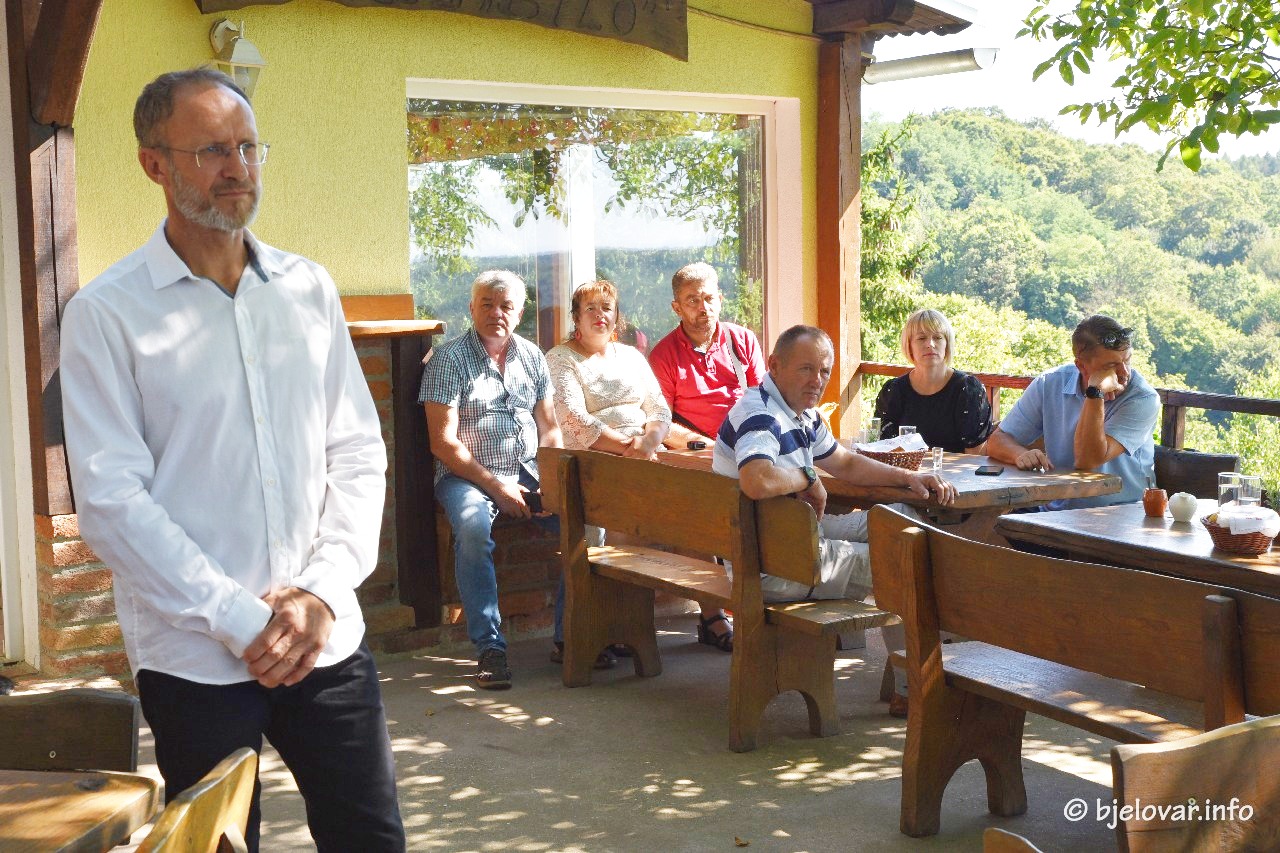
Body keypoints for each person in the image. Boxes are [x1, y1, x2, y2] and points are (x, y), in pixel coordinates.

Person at [60, 69, 404, 851]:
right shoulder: (107, 314)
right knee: (214, 846)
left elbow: (356, 450)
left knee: (372, 839)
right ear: (154, 163)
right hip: (196, 659)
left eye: (248, 146)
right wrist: (244, 619)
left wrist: (320, 592)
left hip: (324, 635)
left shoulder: (308, 288)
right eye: (212, 149)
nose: (237, 167)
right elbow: (112, 503)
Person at [712, 325, 957, 602]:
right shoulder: (762, 416)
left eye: (824, 371)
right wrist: (807, 477)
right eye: (806, 369)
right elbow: (757, 480)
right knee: (905, 557)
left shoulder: (800, 413)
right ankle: (944, 623)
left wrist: (908, 477)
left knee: (903, 517)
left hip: (792, 535)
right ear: (775, 366)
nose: (817, 380)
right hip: (774, 566)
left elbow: (846, 463)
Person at [421, 270, 564, 689]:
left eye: (506, 306)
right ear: (472, 308)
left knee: (587, 520)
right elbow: (442, 443)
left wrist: (552, 481)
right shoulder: (449, 360)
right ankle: (490, 648)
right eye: (487, 304)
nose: (496, 313)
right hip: (465, 475)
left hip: (529, 470)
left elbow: (550, 428)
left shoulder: (532, 356)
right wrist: (497, 487)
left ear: (519, 314)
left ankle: (571, 635)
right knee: (471, 527)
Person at [546, 280, 672, 662]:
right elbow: (573, 420)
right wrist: (630, 448)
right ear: (576, 318)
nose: (599, 315)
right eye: (590, 308)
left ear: (617, 316)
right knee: (593, 537)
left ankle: (624, 628)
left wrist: (649, 442)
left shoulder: (631, 357)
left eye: (607, 307)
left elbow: (659, 408)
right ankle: (577, 635)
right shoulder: (560, 359)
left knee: (653, 530)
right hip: (591, 465)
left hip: (643, 458)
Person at [648, 261, 766, 650]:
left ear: (721, 299)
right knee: (693, 516)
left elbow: (764, 401)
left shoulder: (741, 341)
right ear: (676, 307)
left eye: (709, 298)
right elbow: (660, 422)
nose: (703, 308)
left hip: (747, 448)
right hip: (695, 456)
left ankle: (769, 605)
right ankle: (713, 616)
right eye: (692, 300)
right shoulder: (665, 354)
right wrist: (709, 447)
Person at [986, 315, 1159, 509]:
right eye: (1110, 366)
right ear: (1081, 366)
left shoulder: (1143, 398)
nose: (1124, 372)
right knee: (989, 516)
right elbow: (997, 440)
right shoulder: (1050, 383)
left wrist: (1095, 393)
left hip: (1121, 511)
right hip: (1053, 509)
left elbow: (1088, 460)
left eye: (1127, 360)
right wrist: (1019, 454)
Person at [873, 308, 994, 453]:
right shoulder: (893, 391)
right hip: (903, 468)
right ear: (909, 345)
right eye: (921, 338)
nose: (930, 344)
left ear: (947, 344)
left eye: (938, 337)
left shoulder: (968, 390)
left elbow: (975, 456)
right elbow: (883, 449)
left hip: (955, 469)